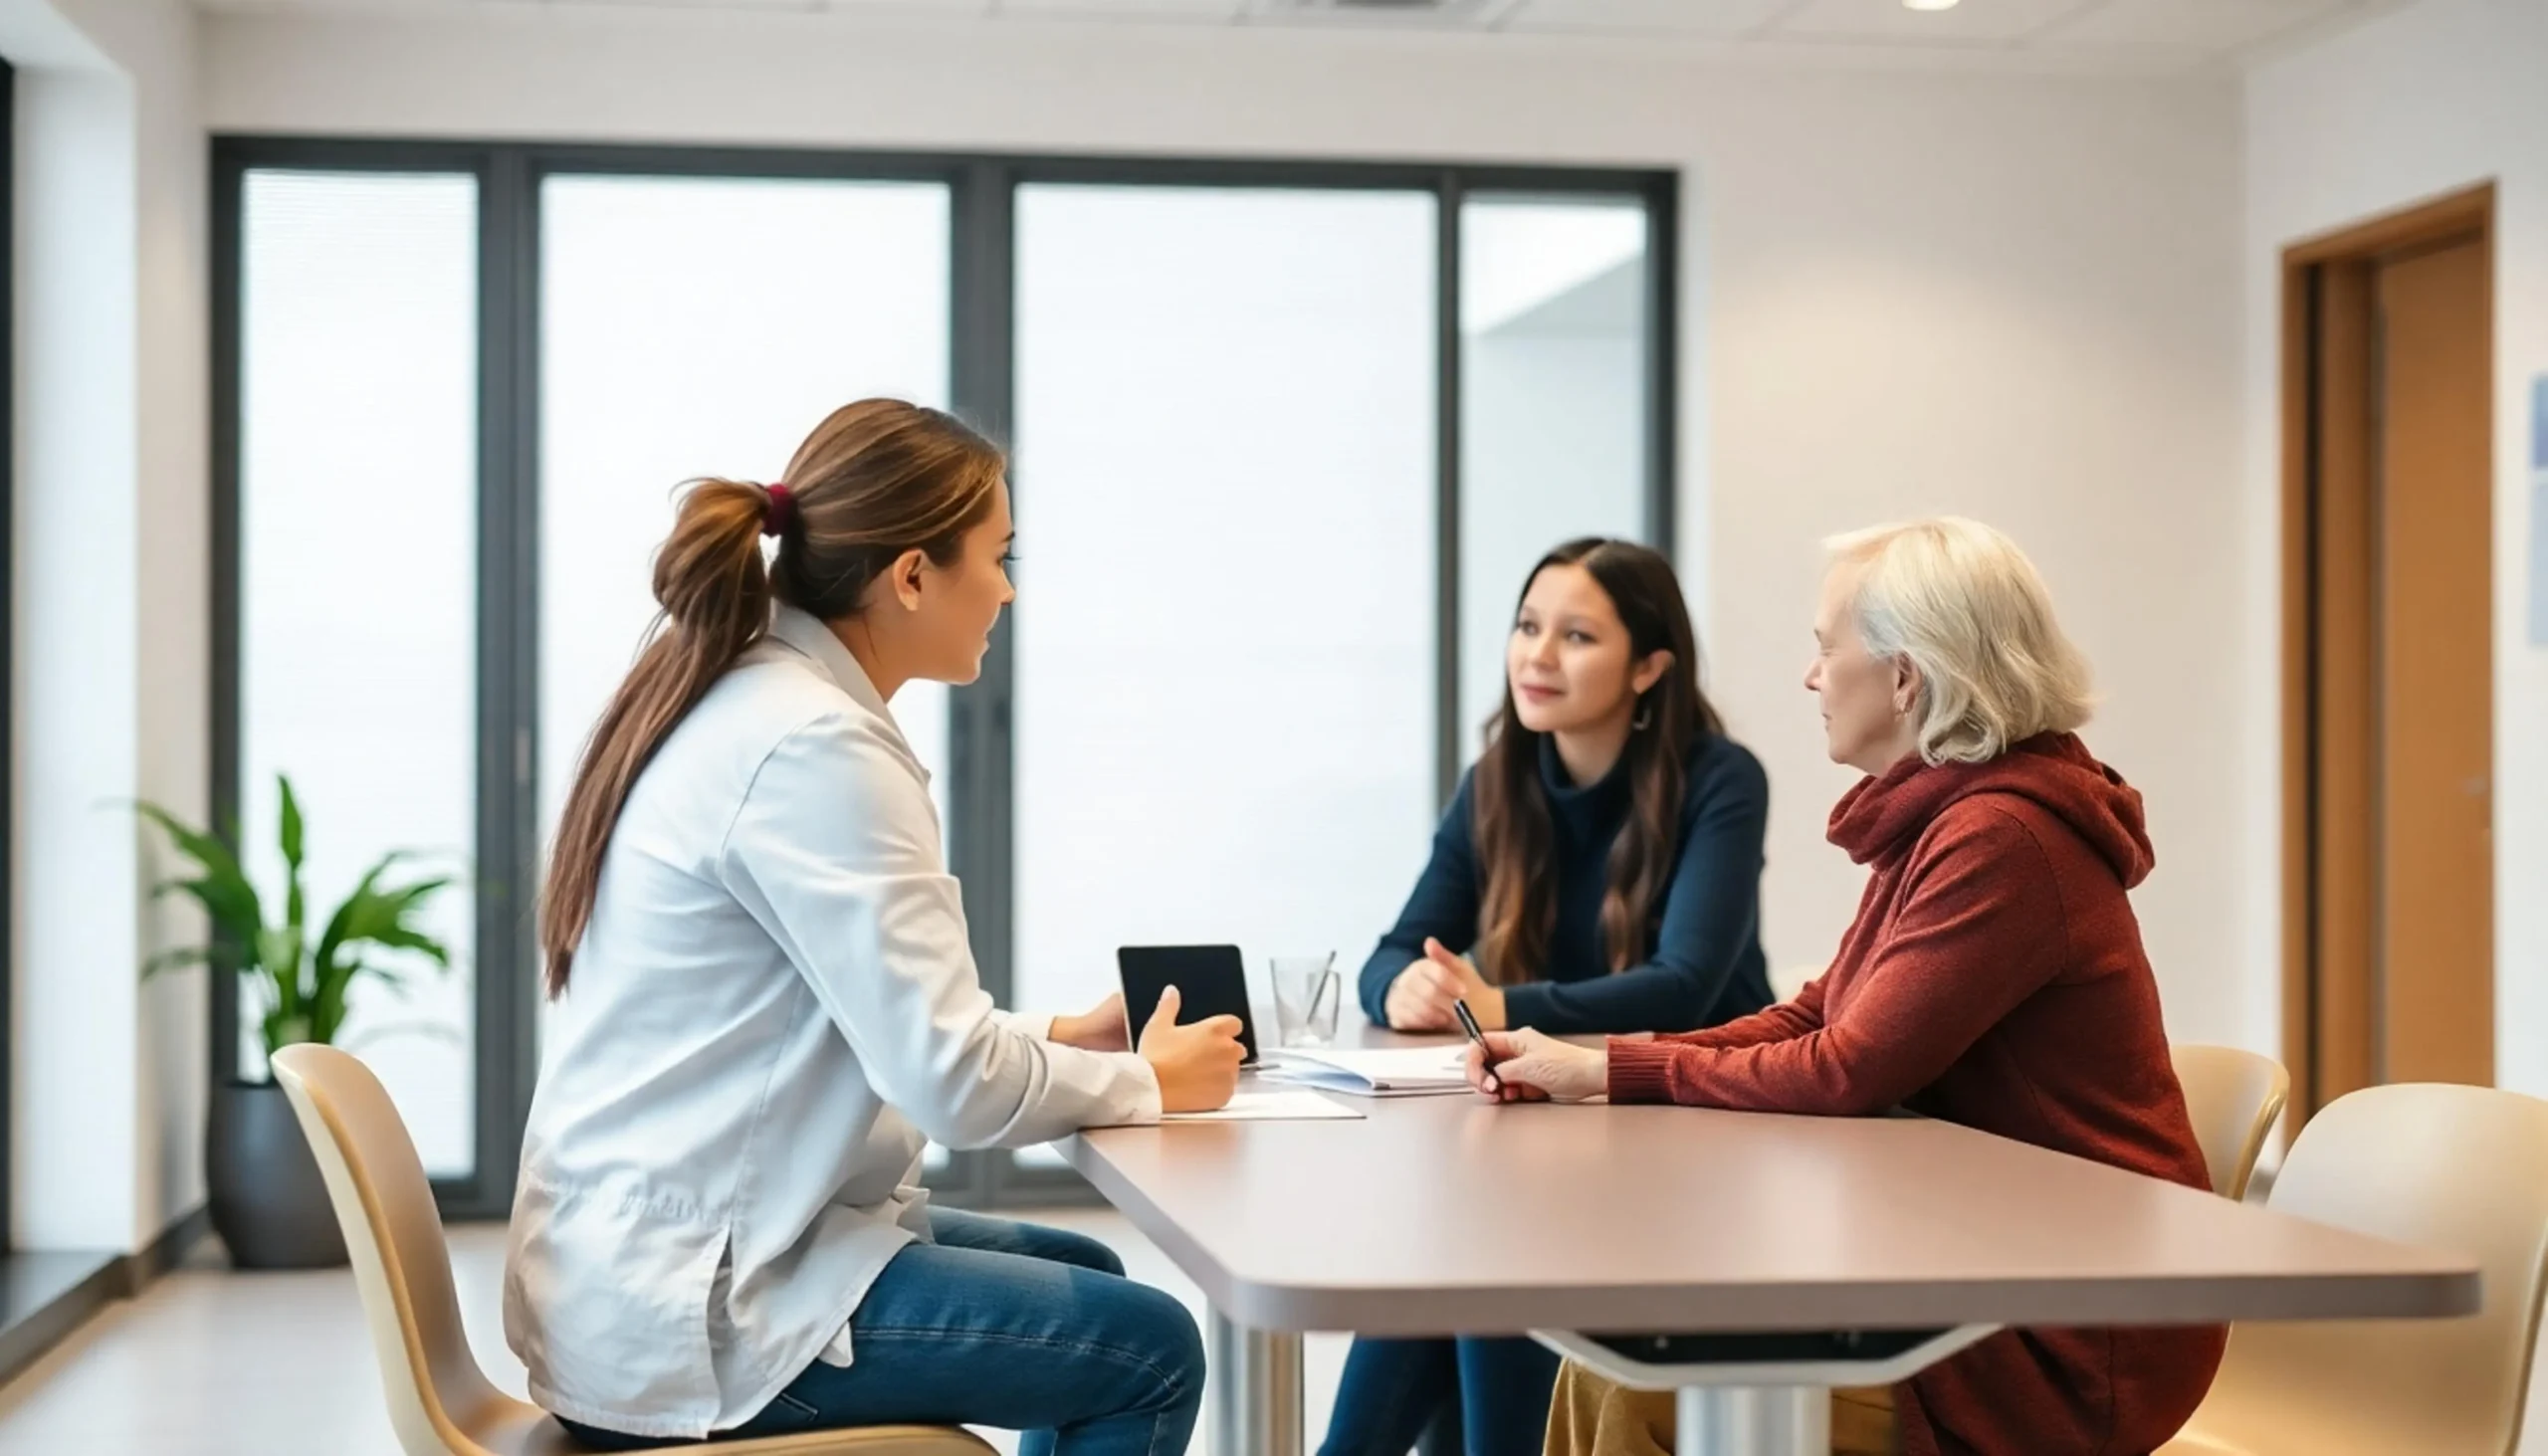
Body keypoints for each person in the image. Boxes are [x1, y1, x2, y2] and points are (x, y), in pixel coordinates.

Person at [504, 400, 1247, 1455]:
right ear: (910, 576)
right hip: (695, 1307)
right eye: (998, 556)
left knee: (1087, 1273)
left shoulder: (748, 696)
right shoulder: (816, 746)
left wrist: (1057, 1038)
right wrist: (1150, 1082)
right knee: (1151, 1349)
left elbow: (864, 1017)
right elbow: (950, 1083)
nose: (1008, 589)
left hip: (647, 1267)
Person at [1465, 519, 2226, 1456]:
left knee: (1640, 1382)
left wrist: (1616, 1072)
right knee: (1611, 1358)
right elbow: (1817, 1014)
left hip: (2069, 1330)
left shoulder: (2003, 838)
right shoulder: (1948, 816)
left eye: (1827, 649)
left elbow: (1846, 1067)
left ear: (1905, 677)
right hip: (1981, 1262)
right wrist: (1600, 1065)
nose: (1810, 676)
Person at [1325, 537, 1776, 1456]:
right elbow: (1391, 951)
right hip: (1558, 1135)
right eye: (1528, 626)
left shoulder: (1720, 778)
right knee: (1461, 1251)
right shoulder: (1499, 778)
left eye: (1577, 636)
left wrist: (1499, 1007)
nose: (1537, 655)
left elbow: (1684, 984)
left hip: (1702, 1135)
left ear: (1650, 667)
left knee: (1476, 1255)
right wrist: (1405, 984)